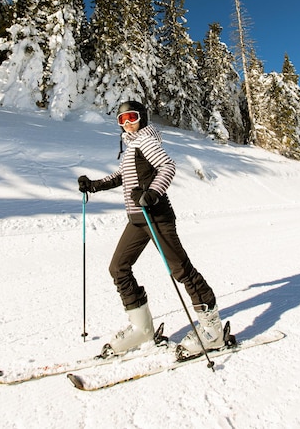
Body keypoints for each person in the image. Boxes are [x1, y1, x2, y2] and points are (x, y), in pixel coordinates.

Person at [78, 100, 223, 358]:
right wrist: (93, 185)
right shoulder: (131, 145)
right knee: (118, 268)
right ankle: (142, 329)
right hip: (137, 219)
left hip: (156, 215)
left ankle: (212, 331)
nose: (127, 123)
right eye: (121, 120)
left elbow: (168, 167)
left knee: (181, 270)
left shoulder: (146, 140)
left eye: (131, 117)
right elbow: (120, 177)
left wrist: (152, 193)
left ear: (142, 117)